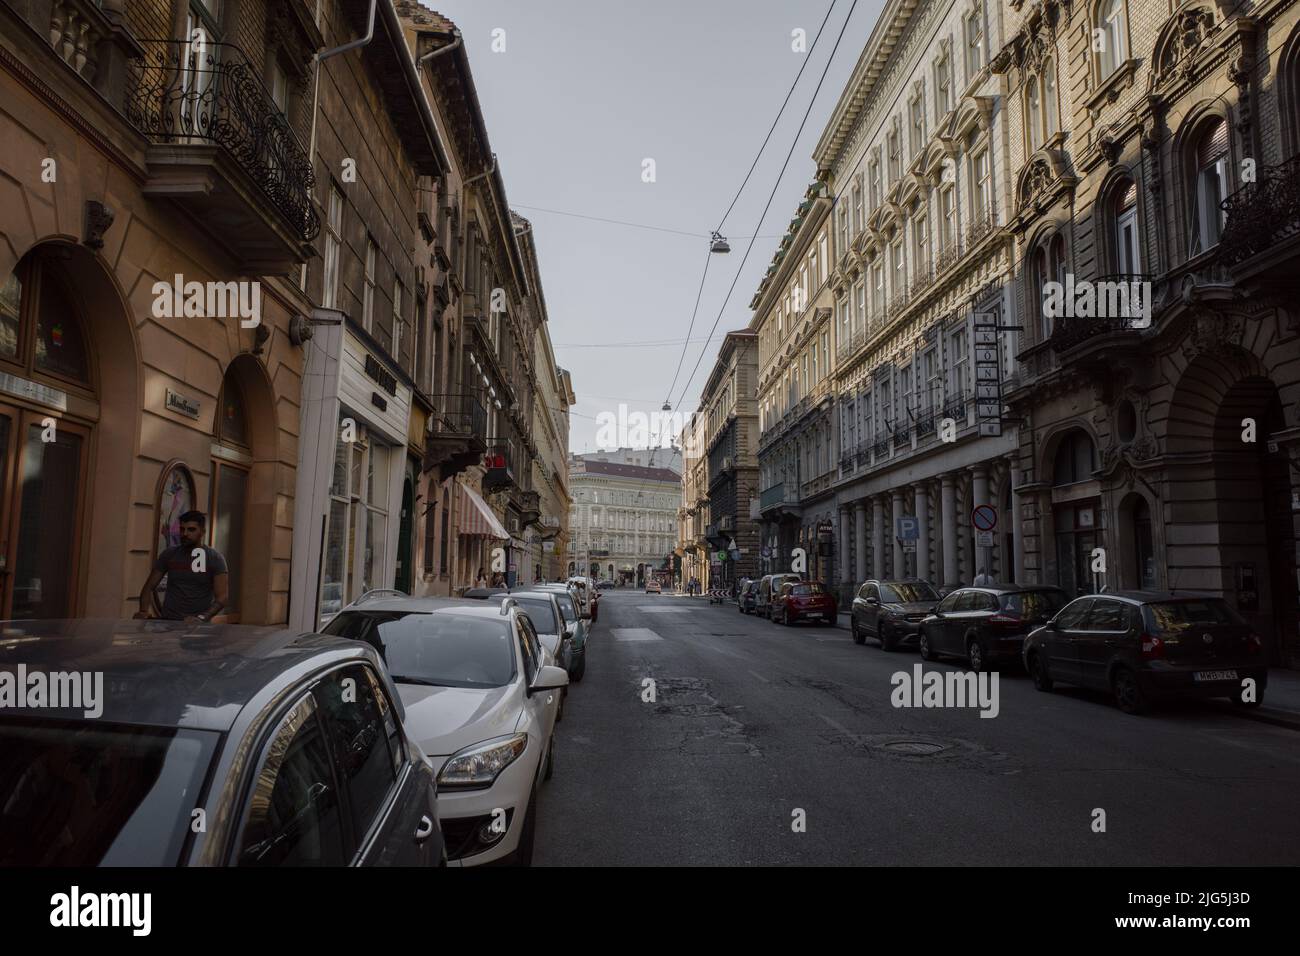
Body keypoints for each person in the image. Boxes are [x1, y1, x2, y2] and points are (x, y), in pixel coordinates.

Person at [134, 511, 228, 622]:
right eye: (182, 529)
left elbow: (222, 597)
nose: (185, 534)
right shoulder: (169, 554)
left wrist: (202, 617)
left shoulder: (214, 558)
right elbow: (149, 586)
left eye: (191, 530)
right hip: (168, 622)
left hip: (197, 626)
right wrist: (143, 611)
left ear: (202, 532)